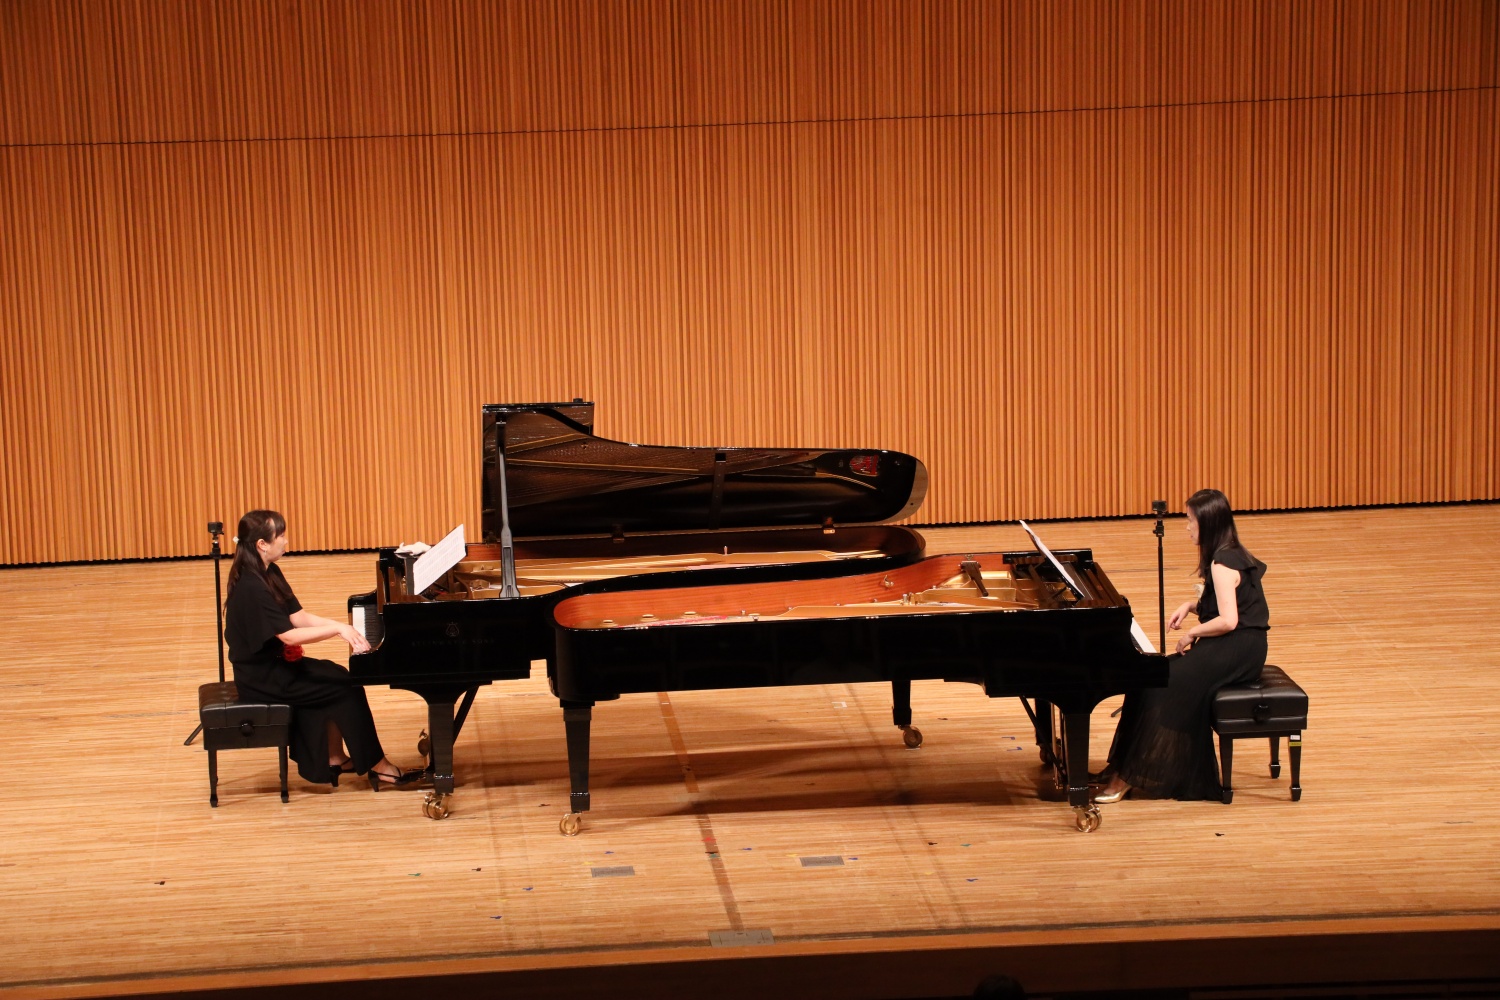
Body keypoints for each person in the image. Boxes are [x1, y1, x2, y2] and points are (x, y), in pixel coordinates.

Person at [1094, 489, 1269, 802]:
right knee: (1146, 677)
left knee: (1159, 686)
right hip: (1242, 645)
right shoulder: (1230, 551)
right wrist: (1191, 605)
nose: (1187, 527)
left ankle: (1128, 776)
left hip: (1236, 650)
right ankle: (1120, 767)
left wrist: (1192, 633)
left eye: (1191, 520)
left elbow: (1229, 620)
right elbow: (1234, 604)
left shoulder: (1222, 563)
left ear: (1208, 524)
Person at [224, 509, 419, 790]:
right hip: (262, 677)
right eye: (281, 536)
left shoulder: (269, 571)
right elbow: (289, 636)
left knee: (337, 675)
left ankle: (334, 757)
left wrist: (342, 625)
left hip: (274, 666)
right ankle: (379, 766)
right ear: (262, 544)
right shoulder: (252, 586)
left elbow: (298, 617)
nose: (286, 541)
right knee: (345, 687)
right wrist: (338, 631)